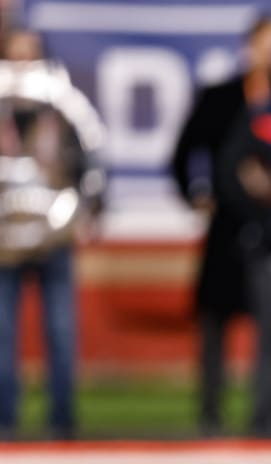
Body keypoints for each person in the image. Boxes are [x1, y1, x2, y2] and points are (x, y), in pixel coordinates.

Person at [170, 13, 271, 437]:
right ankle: (210, 410)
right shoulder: (222, 95)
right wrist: (197, 193)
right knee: (216, 319)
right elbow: (184, 150)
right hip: (229, 224)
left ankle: (269, 417)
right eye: (266, 42)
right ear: (249, 46)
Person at [0, 28, 106, 440]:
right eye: (15, 53)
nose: (24, 62)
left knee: (61, 330)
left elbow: (94, 154)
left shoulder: (63, 104)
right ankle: (5, 421)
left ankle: (63, 422)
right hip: (3, 241)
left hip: (55, 235)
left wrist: (89, 208)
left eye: (30, 53)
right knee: (2, 335)